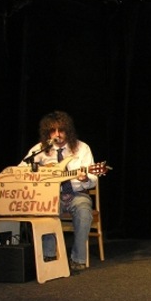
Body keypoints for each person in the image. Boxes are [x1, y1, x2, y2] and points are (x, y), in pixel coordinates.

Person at [20, 111, 97, 270]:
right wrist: (39, 175)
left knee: (84, 213)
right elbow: (21, 169)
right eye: (53, 131)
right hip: (51, 195)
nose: (57, 134)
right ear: (47, 133)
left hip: (77, 194)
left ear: (68, 130)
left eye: (61, 130)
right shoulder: (40, 149)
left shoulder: (82, 148)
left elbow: (93, 178)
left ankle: (78, 259)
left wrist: (85, 178)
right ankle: (49, 255)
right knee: (46, 211)